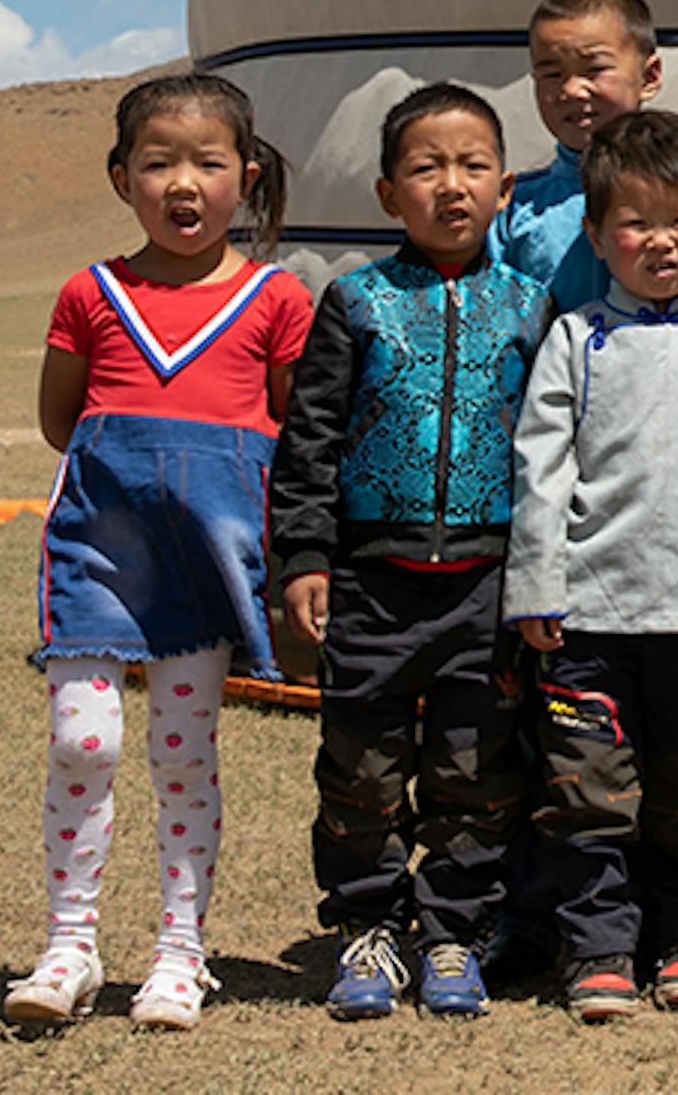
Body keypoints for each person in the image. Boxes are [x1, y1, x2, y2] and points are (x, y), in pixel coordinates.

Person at [5, 75, 311, 1030]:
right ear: (120, 175)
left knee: (183, 754)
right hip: (101, 549)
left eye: (209, 163)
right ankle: (70, 944)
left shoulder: (277, 298)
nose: (185, 184)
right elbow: (63, 421)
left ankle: (180, 952)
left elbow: (298, 431)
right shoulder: (91, 293)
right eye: (158, 162)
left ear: (247, 176)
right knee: (81, 741)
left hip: (209, 562)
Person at [268, 83, 552, 1020]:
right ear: (389, 192)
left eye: (473, 166)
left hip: (489, 582)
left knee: (475, 773)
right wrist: (304, 558)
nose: (452, 185)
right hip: (370, 580)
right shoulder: (354, 301)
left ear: (505, 186)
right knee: (361, 770)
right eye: (426, 167)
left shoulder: (529, 306)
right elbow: (308, 441)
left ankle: (454, 937)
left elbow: (552, 452)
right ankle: (367, 930)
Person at [506, 110, 678, 1021]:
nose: (661, 241)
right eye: (636, 222)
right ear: (594, 233)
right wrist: (537, 585)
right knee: (589, 794)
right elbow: (542, 470)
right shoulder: (576, 341)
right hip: (590, 615)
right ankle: (600, 948)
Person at [495, 0, 678, 317]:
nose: (572, 90)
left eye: (594, 69)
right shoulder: (518, 209)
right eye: (552, 74)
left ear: (649, 76)